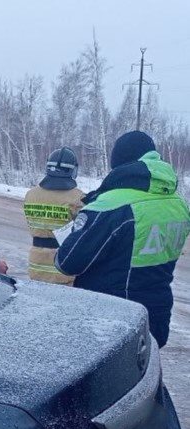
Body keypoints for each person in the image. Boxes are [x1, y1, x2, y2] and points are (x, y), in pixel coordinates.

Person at [56, 131, 190, 347]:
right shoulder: (178, 203)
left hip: (111, 321)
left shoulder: (111, 206)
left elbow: (66, 262)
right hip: (156, 312)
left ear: (118, 163)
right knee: (146, 372)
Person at [24, 148, 84, 284]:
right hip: (63, 264)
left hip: (36, 263)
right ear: (73, 170)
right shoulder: (78, 198)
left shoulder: (31, 194)